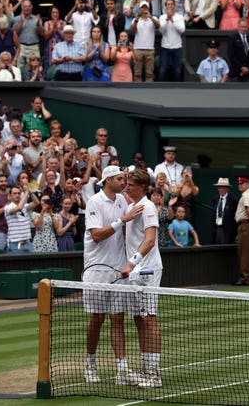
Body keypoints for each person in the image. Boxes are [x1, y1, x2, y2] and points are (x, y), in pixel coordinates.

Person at [82, 165, 144, 385]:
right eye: (120, 179)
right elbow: (97, 235)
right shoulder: (94, 202)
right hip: (96, 269)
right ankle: (89, 365)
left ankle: (122, 370)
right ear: (107, 180)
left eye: (124, 178)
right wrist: (123, 220)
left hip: (118, 270)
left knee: (118, 318)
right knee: (97, 319)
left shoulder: (121, 200)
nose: (123, 182)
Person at [119, 169, 164, 389]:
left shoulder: (148, 208)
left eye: (132, 184)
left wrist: (131, 263)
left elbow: (149, 240)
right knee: (138, 318)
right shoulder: (131, 207)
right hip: (135, 273)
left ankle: (155, 373)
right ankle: (146, 367)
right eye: (127, 183)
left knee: (149, 319)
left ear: (143, 188)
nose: (127, 187)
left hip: (148, 271)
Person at [130, 1, 159, 83]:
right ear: (140, 8)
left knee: (149, 73)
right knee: (137, 73)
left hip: (150, 49)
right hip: (138, 49)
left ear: (148, 8)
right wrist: (136, 19)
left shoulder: (153, 18)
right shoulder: (136, 19)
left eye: (145, 7)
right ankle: (137, 91)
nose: (144, 9)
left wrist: (150, 17)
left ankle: (149, 91)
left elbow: (158, 25)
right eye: (142, 7)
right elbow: (132, 30)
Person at [158, 0, 185, 82]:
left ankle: (178, 89)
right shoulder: (162, 17)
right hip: (165, 47)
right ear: (165, 6)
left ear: (174, 6)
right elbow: (161, 30)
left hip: (177, 47)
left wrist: (172, 20)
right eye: (168, 4)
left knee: (177, 70)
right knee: (163, 69)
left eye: (171, 4)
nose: (170, 6)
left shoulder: (180, 17)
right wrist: (167, 19)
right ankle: (160, 89)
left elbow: (182, 30)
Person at [4, 183, 38, 253]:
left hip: (27, 242)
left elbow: (36, 202)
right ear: (10, 196)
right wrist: (26, 193)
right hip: (15, 243)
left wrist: (30, 191)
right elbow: (19, 208)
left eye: (19, 193)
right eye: (15, 193)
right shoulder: (8, 207)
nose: (17, 195)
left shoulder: (25, 206)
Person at [212, 177, 238, 244]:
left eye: (223, 187)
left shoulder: (233, 200)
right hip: (217, 228)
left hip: (228, 230)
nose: (221, 189)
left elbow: (236, 216)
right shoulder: (215, 199)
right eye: (219, 187)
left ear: (227, 189)